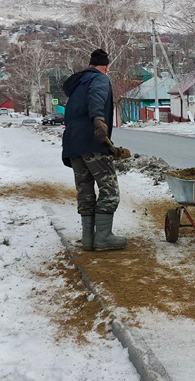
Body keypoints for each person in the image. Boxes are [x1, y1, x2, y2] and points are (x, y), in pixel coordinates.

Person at [61, 49, 127, 251]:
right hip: (93, 141)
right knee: (109, 190)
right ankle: (104, 237)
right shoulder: (99, 79)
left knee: (86, 191)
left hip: (73, 145)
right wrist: (99, 121)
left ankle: (88, 239)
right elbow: (97, 97)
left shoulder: (78, 83)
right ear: (106, 67)